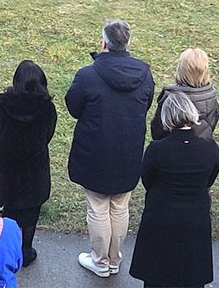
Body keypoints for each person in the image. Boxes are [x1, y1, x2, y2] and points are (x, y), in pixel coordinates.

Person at [66, 19, 154, 278]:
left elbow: (73, 107)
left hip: (95, 153)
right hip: (128, 150)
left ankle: (101, 260)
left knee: (98, 206)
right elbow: (146, 103)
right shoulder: (144, 73)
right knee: (119, 206)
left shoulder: (88, 75)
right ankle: (114, 259)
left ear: (104, 43)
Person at [129, 92, 219, 288]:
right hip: (196, 218)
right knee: (191, 275)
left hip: (161, 217)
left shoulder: (157, 149)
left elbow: (148, 179)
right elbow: (210, 179)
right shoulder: (209, 148)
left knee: (157, 276)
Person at [0, 60, 57, 267]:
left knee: (3, 209)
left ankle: (4, 250)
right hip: (34, 168)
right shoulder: (47, 108)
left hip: (5, 166)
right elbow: (48, 134)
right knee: (31, 211)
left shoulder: (3, 104)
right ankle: (26, 250)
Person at [150, 47, 219, 140]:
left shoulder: (170, 97)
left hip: (171, 148)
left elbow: (157, 130)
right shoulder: (211, 96)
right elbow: (212, 123)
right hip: (201, 148)